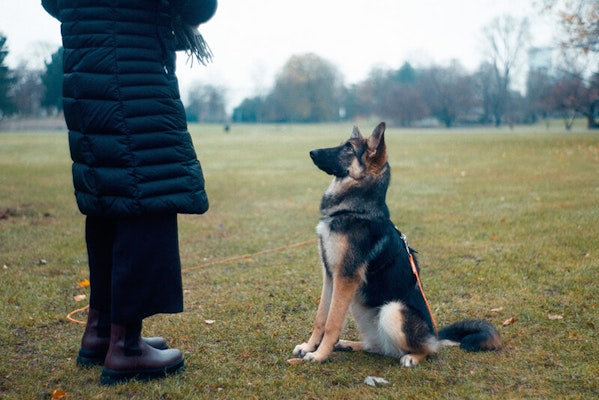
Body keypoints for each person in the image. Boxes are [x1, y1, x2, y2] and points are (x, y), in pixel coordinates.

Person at [41, 0, 217, 385]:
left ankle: (102, 332)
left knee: (111, 196)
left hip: (86, 66)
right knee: (148, 193)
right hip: (132, 69)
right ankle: (128, 348)